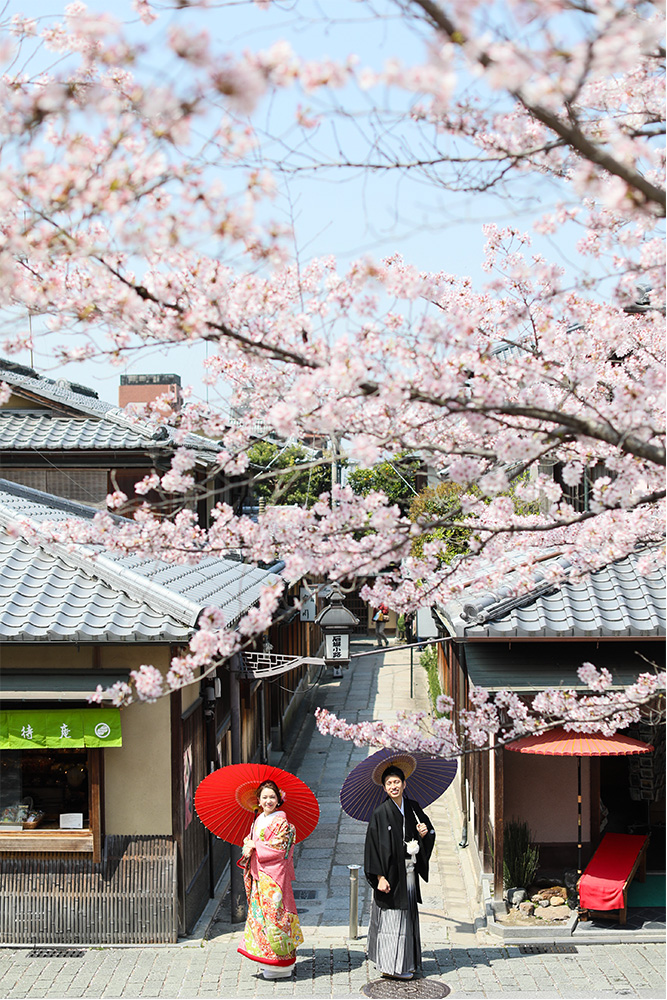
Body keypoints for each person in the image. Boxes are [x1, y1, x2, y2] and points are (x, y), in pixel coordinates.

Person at [364, 765, 435, 980]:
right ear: (384, 788)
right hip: (391, 876)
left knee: (408, 919)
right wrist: (379, 877)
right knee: (392, 920)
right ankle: (389, 966)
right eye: (389, 783)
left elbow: (428, 831)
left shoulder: (413, 807)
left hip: (409, 873)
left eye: (397, 782)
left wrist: (424, 833)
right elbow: (372, 847)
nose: (394, 786)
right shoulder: (380, 813)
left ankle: (406, 962)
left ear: (404, 784)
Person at [237, 780, 304, 979]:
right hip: (260, 874)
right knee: (261, 917)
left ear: (279, 800)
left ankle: (281, 964)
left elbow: (278, 848)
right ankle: (268, 959)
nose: (268, 801)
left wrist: (255, 847)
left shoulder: (281, 822)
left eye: (272, 797)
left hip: (275, 877)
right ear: (258, 800)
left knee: (276, 916)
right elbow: (256, 843)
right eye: (264, 797)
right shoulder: (258, 820)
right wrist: (249, 844)